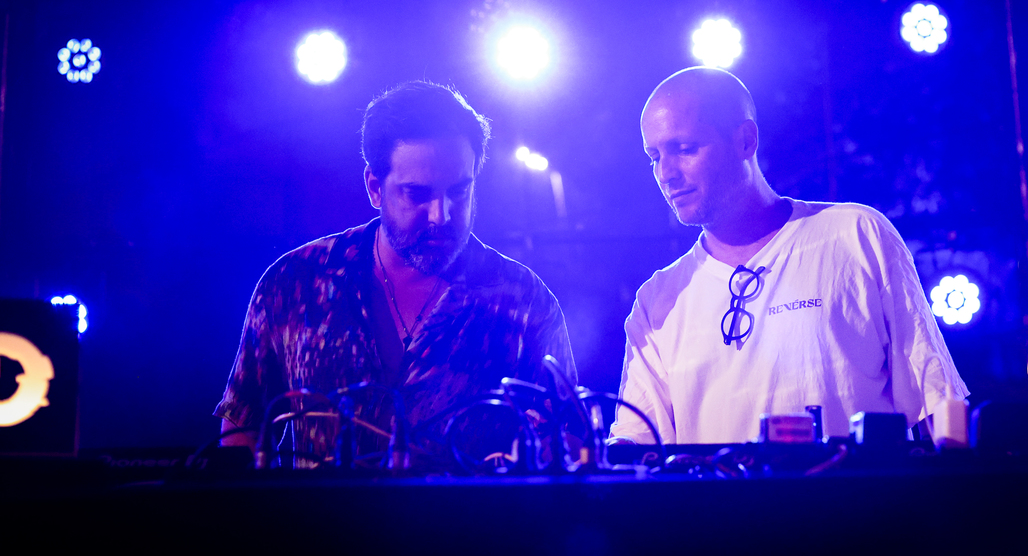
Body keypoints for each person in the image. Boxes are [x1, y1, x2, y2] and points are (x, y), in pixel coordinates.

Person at [215, 81, 576, 470]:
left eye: (459, 191)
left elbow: (572, 443)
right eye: (417, 194)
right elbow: (241, 431)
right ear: (374, 188)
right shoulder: (294, 284)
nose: (441, 215)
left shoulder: (526, 302)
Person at [609, 67, 967, 444]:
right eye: (654, 156)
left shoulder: (858, 235)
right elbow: (634, 451)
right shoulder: (656, 301)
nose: (665, 173)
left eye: (684, 149)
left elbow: (937, 409)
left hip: (861, 487)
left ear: (745, 141)